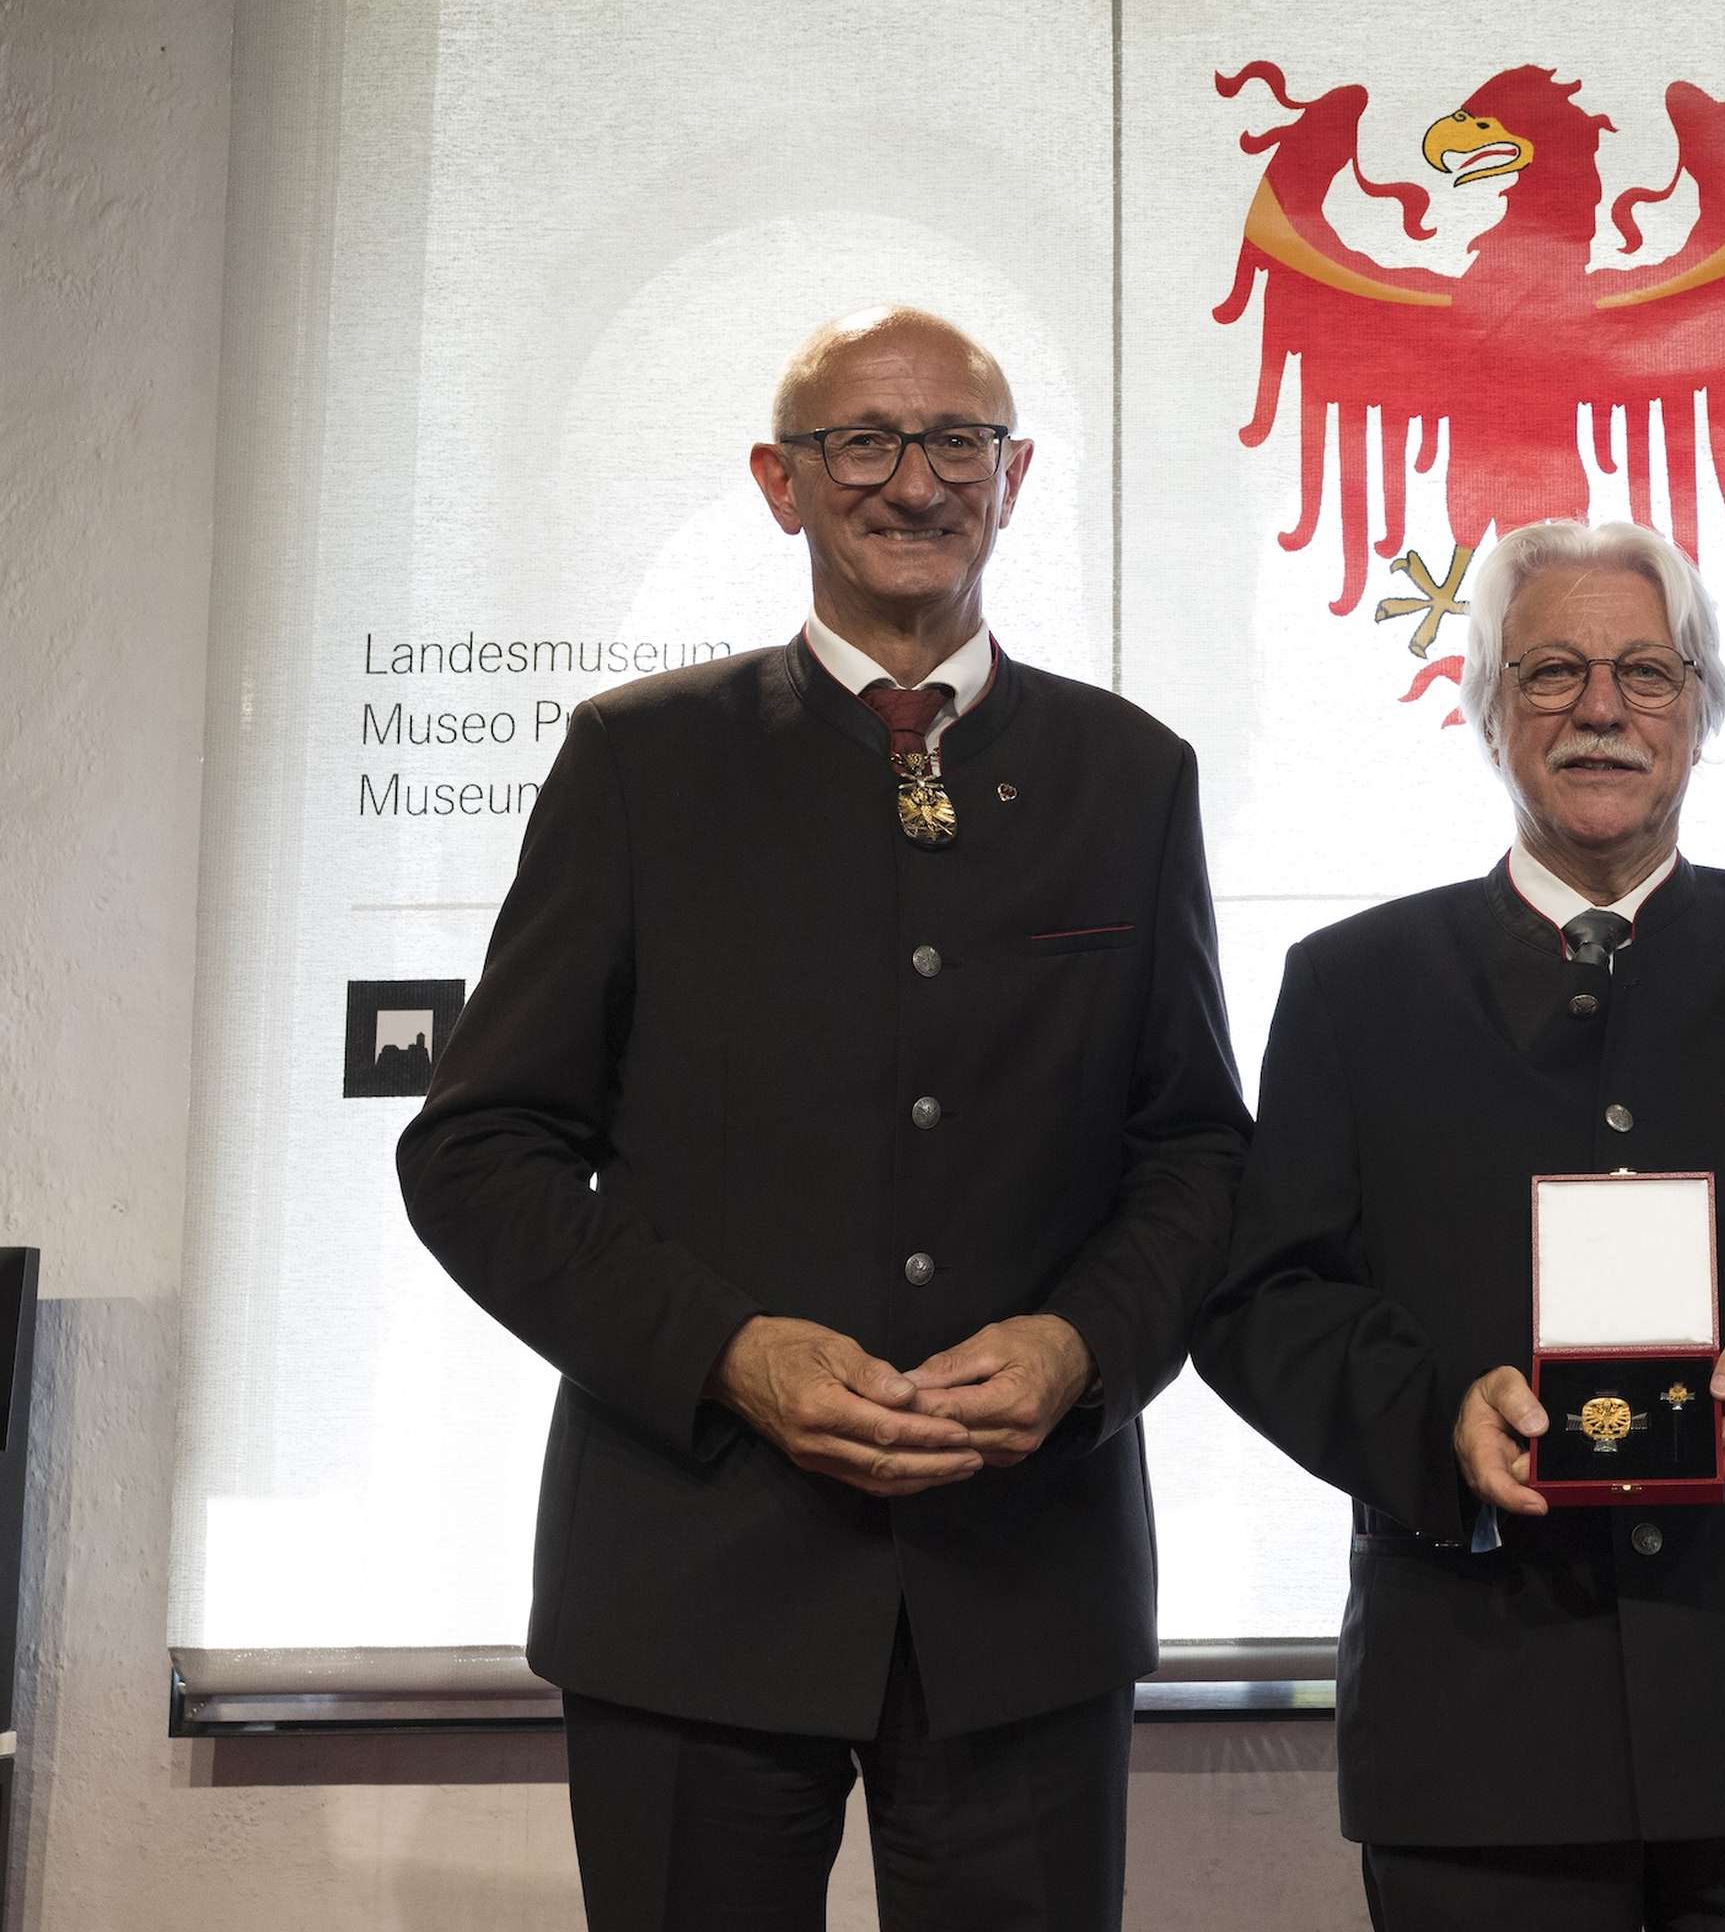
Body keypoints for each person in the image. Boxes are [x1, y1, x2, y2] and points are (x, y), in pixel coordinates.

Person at [399, 305, 1247, 1929]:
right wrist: (728, 1352)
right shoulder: (640, 764)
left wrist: (1079, 1349)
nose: (913, 482)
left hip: (1026, 1591)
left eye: (957, 444)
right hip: (689, 1580)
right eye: (863, 441)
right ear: (781, 484)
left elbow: (1197, 1151)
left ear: (1016, 480)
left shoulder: (1131, 775)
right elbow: (477, 1152)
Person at [1195, 520, 1725, 1930]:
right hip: (1473, 1726)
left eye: (1647, 672)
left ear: (1702, 715)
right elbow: (1262, 1298)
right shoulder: (1354, 988)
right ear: (1483, 715)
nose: (1601, 709)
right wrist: (1433, 1421)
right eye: (1551, 674)